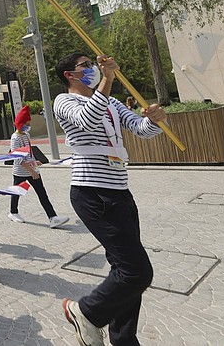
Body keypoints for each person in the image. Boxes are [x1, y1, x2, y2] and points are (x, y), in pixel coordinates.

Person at [54, 53, 166, 346]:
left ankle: (123, 338)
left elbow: (140, 130)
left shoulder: (112, 103)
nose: (92, 68)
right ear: (70, 74)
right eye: (86, 66)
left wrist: (154, 120)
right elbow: (87, 121)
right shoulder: (64, 102)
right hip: (91, 192)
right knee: (137, 272)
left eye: (94, 65)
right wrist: (106, 79)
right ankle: (85, 312)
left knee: (124, 268)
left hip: (120, 191)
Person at [7, 105, 70, 229]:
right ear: (20, 123)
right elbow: (18, 158)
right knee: (17, 192)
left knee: (42, 193)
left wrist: (35, 162)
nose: (28, 126)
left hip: (32, 169)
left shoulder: (26, 135)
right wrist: (31, 170)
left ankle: (53, 217)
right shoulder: (15, 138)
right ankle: (13, 212)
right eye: (27, 124)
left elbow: (28, 152)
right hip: (21, 171)